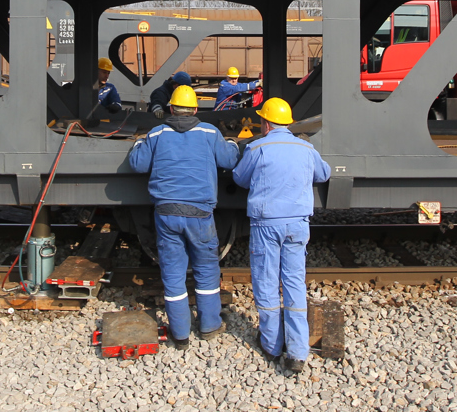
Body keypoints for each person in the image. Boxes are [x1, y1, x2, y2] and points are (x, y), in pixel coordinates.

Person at [128, 85, 240, 349]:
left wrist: (139, 143)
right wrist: (233, 143)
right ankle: (209, 325)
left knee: (173, 272)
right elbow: (229, 160)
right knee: (206, 269)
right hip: (200, 214)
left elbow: (138, 164)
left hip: (166, 215)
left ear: (170, 109)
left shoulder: (156, 134)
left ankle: (180, 334)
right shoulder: (209, 132)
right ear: (195, 109)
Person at [232, 97, 331, 373]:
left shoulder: (258, 147)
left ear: (265, 123)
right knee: (294, 283)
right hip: (297, 224)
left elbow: (240, 178)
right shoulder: (306, 148)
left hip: (266, 224)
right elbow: (323, 174)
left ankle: (272, 345)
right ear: (287, 123)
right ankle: (298, 352)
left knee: (266, 281)